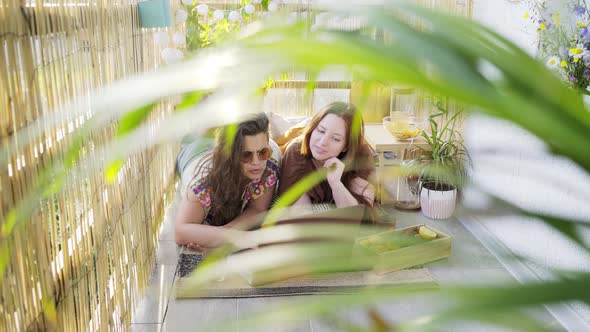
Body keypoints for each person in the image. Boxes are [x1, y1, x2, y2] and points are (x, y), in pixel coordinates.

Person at [174, 113, 280, 249]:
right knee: (192, 139)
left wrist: (223, 235)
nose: (257, 162)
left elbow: (258, 208)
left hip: (218, 146)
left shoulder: (271, 158)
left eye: (263, 152)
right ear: (229, 155)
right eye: (246, 154)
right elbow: (181, 231)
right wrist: (242, 237)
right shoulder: (204, 179)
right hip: (193, 154)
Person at [278, 102, 376, 209]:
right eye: (320, 131)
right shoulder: (296, 151)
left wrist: (336, 184)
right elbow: (299, 212)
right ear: (313, 129)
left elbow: (360, 215)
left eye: (335, 138)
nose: (322, 142)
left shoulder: (362, 156)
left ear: (346, 146)